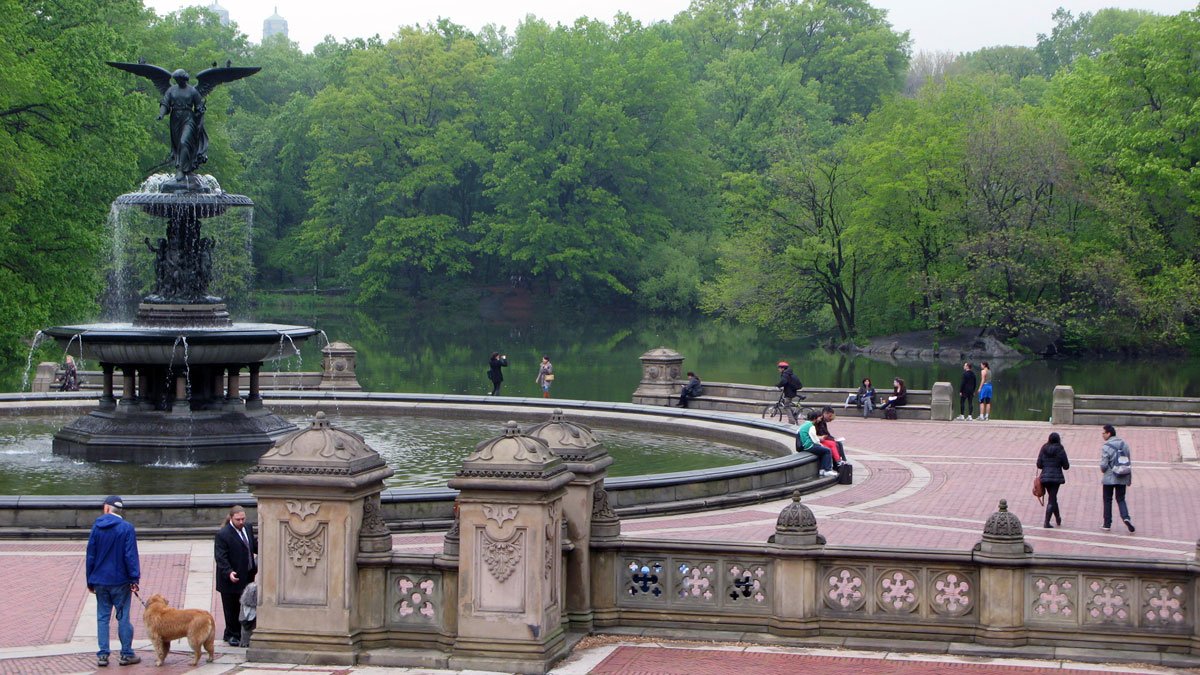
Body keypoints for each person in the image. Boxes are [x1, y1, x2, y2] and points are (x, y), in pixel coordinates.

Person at [86, 495, 141, 667]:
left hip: (100, 580)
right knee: (123, 617)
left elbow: (90, 555)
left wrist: (89, 580)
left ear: (106, 508)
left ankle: (103, 655)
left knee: (102, 617)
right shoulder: (126, 528)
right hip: (121, 581)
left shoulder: (96, 527)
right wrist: (134, 578)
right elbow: (130, 555)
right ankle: (126, 654)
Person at [215, 505, 257, 647]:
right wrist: (228, 572)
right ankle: (232, 634)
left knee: (243, 605)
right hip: (231, 578)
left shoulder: (248, 528)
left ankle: (232, 633)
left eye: (243, 518)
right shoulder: (223, 534)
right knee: (231, 608)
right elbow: (221, 557)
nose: (241, 522)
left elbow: (252, 545)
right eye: (238, 519)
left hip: (247, 575)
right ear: (231, 518)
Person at [158, 69, 209, 181]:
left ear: (183, 78)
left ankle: (181, 169)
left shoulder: (192, 91)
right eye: (175, 79)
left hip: (189, 118)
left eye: (178, 79)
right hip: (175, 119)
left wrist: (200, 122)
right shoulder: (171, 90)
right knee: (178, 145)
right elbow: (165, 103)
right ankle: (184, 167)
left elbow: (200, 108)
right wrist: (161, 114)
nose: (177, 81)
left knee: (184, 141)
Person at [1099, 424, 1135, 533]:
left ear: (1109, 433)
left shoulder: (1106, 447)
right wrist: (1129, 478)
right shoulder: (1125, 445)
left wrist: (1103, 469)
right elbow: (1128, 461)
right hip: (1122, 475)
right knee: (1121, 499)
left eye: (1103, 433)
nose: (1102, 435)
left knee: (1107, 499)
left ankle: (1107, 523)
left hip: (1109, 477)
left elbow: (1104, 465)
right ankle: (1126, 517)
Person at [1036, 432, 1070, 528]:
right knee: (1052, 499)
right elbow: (1066, 466)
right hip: (1056, 478)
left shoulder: (1044, 448)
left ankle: (1058, 518)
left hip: (1045, 477)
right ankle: (1046, 522)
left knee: (1053, 497)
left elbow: (1039, 464)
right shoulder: (1060, 449)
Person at [796, 411, 836, 477]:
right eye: (819, 418)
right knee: (827, 451)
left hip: (804, 445)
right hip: (809, 446)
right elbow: (815, 439)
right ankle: (827, 470)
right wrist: (820, 445)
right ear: (815, 418)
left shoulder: (803, 425)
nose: (820, 419)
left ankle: (822, 470)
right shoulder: (811, 426)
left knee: (823, 451)